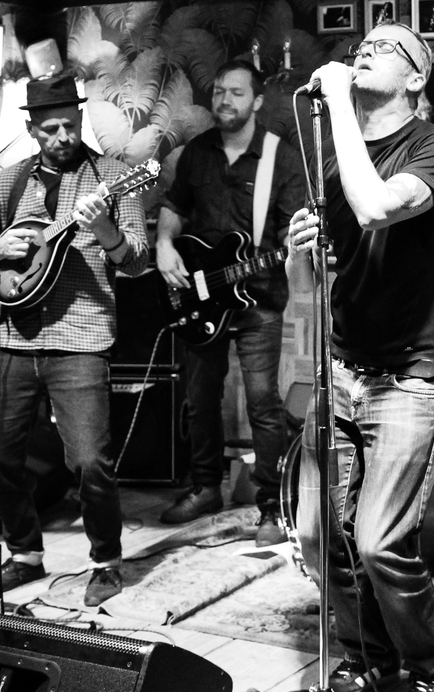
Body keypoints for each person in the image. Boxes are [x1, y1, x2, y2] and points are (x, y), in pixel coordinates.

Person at [286, 22, 434, 692]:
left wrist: (338, 97)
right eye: (361, 46)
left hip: (412, 373)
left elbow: (377, 208)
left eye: (385, 47)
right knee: (318, 535)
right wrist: (298, 251)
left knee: (379, 541)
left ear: (417, 78)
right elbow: (311, 283)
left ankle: (431, 664)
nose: (364, 50)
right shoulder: (338, 159)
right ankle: (368, 657)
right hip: (343, 365)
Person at [0, 74, 150, 608]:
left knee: (89, 462)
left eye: (70, 125)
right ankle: (25, 552)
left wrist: (106, 231)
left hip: (82, 339)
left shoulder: (116, 177)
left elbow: (137, 261)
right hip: (12, 340)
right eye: (50, 128)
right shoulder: (7, 182)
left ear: (80, 120)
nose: (63, 136)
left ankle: (105, 560)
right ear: (31, 127)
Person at [155, 60, 306, 545]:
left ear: (256, 101)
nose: (224, 100)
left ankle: (271, 508)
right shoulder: (197, 153)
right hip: (200, 296)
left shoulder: (281, 158)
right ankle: (205, 489)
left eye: (236, 93)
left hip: (258, 299)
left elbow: (291, 233)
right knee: (199, 400)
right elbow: (174, 207)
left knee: (263, 403)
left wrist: (298, 249)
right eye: (219, 90)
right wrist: (163, 244)